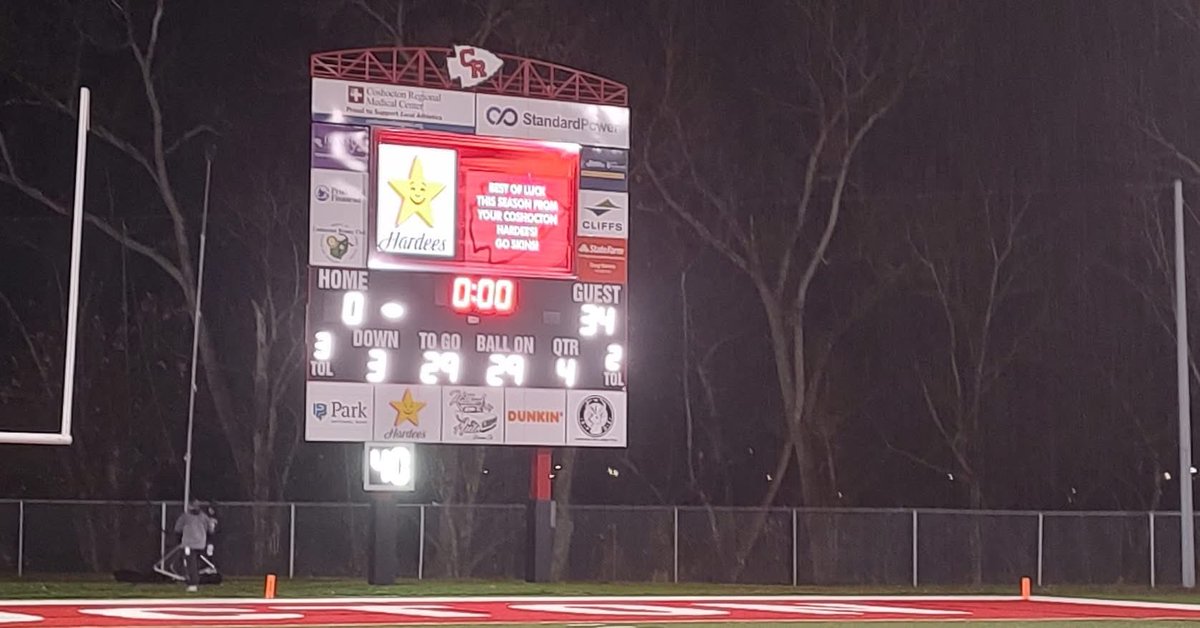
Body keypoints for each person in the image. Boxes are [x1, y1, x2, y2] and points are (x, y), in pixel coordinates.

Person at [174, 500, 217, 592]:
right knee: (196, 563)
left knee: (191, 564)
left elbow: (177, 529)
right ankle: (197, 578)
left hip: (189, 544)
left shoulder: (185, 517)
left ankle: (193, 583)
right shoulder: (204, 517)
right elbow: (210, 530)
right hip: (201, 544)